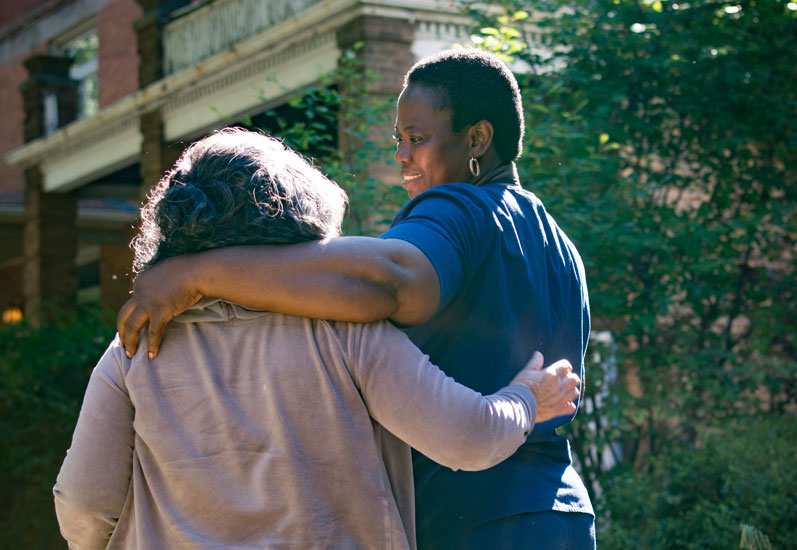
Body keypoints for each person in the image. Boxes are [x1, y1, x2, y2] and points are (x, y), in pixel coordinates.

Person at [118, 48, 595, 548]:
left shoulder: (457, 207)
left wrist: (195, 273)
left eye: (417, 138)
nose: (401, 155)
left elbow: (387, 284)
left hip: (470, 518)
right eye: (399, 139)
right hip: (564, 513)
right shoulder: (561, 248)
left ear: (477, 138)